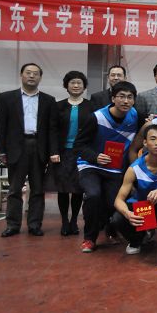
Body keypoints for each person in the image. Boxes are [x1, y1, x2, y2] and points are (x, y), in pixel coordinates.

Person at [74, 81, 139, 253]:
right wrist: (95, 157)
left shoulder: (135, 116)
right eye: (121, 96)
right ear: (113, 98)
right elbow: (78, 145)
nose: (125, 101)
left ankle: (110, 228)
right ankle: (89, 238)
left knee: (113, 202)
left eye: (130, 97)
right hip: (90, 166)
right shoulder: (96, 118)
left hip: (115, 169)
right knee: (93, 195)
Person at [0, 63, 58, 237]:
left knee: (38, 189)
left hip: (39, 147)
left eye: (35, 73)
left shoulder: (48, 100)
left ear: (40, 77)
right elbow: (1, 126)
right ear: (21, 75)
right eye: (28, 73)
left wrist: (53, 151)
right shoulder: (6, 97)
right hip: (16, 147)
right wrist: (1, 150)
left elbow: (52, 128)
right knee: (15, 189)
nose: (32, 76)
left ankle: (34, 224)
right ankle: (12, 225)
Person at [111, 124, 157, 255]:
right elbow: (118, 200)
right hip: (143, 208)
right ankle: (136, 240)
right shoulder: (134, 169)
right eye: (153, 139)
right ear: (145, 143)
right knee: (117, 218)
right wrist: (128, 214)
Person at [54, 71, 95, 236]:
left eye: (79, 83)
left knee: (78, 188)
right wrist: (53, 151)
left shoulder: (91, 106)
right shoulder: (58, 106)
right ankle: (64, 221)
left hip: (82, 152)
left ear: (84, 86)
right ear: (66, 85)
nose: (76, 86)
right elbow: (52, 130)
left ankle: (74, 221)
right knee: (63, 189)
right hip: (63, 153)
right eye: (72, 83)